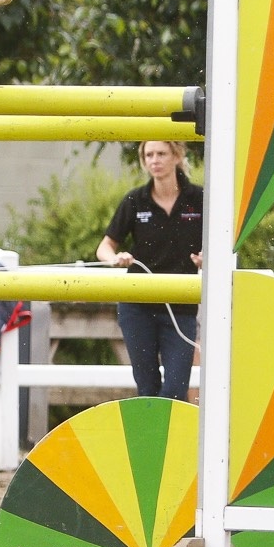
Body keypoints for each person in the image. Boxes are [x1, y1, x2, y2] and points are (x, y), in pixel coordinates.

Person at [94, 140, 204, 400]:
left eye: (161, 154)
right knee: (147, 389)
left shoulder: (200, 199)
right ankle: (152, 441)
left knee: (175, 390)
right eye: (149, 155)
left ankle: (173, 440)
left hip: (181, 306)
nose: (155, 160)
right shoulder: (135, 200)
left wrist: (206, 259)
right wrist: (115, 259)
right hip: (137, 306)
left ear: (177, 156)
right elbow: (104, 247)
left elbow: (223, 245)